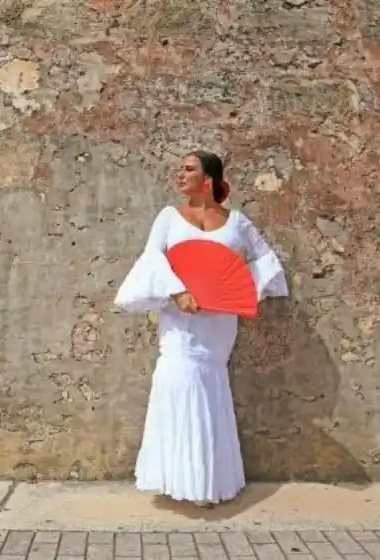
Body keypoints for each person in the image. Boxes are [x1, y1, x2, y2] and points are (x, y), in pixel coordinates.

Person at [113, 150, 289, 506]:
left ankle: (205, 484)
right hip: (180, 317)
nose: (180, 174)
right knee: (176, 380)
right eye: (179, 168)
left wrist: (241, 292)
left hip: (218, 320)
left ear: (208, 180)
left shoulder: (237, 223)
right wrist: (177, 291)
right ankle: (175, 477)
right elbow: (152, 257)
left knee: (209, 387)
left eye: (188, 169)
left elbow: (265, 260)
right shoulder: (169, 217)